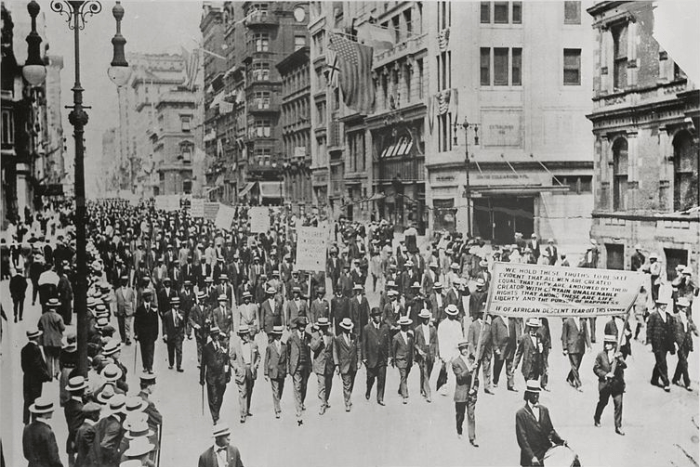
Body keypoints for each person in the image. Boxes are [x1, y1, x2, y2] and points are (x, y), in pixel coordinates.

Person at [515, 381, 569, 467]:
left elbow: (550, 431)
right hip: (530, 458)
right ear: (528, 394)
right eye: (533, 394)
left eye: (537, 393)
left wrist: (560, 441)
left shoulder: (544, 410)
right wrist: (532, 457)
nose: (536, 396)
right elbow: (522, 439)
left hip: (546, 454)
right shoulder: (521, 414)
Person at [593, 334, 627, 435]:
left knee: (618, 405)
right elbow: (596, 368)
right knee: (603, 402)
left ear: (613, 344)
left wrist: (619, 360)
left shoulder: (618, 354)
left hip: (617, 385)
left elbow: (624, 366)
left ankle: (618, 426)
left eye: (609, 343)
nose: (607, 345)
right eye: (606, 343)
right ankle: (597, 417)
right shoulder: (601, 355)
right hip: (605, 384)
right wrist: (605, 374)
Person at [229, 325, 259, 424]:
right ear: (241, 335)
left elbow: (258, 356)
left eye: (248, 334)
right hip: (241, 371)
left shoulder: (253, 344)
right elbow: (231, 359)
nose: (247, 336)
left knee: (250, 390)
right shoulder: (235, 346)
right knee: (243, 392)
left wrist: (255, 365)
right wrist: (236, 367)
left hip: (251, 369)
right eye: (245, 334)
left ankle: (247, 409)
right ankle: (242, 414)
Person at [200, 327, 230, 424]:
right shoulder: (206, 347)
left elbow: (227, 360)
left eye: (217, 335)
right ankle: (215, 416)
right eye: (214, 335)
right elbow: (203, 364)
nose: (216, 337)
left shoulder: (223, 345)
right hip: (211, 376)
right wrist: (201, 378)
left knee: (220, 393)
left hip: (221, 375)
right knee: (213, 396)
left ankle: (217, 410)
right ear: (211, 336)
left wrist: (228, 374)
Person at [22, 327, 52, 424]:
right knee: (35, 400)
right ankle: (34, 421)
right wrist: (47, 376)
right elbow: (37, 366)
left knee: (27, 400)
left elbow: (23, 366)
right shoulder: (36, 349)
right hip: (35, 380)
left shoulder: (24, 349)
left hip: (27, 378)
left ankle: (26, 421)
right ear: (36, 338)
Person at [362, 307, 391, 406]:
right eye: (376, 315)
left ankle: (380, 398)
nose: (379, 317)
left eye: (380, 315)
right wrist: (364, 357)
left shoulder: (385, 327)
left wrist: (389, 355)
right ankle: (368, 390)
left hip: (382, 358)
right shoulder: (366, 328)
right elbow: (364, 344)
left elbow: (388, 342)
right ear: (373, 317)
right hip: (371, 358)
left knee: (382, 378)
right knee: (370, 378)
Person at [22, 397, 63, 467]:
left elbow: (26, 454)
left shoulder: (27, 429)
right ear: (45, 413)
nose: (52, 412)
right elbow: (54, 458)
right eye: (51, 410)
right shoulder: (48, 432)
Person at [647, 296, 676, 392]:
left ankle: (654, 379)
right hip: (657, 342)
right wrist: (649, 342)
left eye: (665, 304)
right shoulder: (653, 315)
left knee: (660, 361)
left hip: (666, 343)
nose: (664, 306)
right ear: (658, 305)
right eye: (662, 304)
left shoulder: (668, 316)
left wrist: (673, 343)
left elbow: (672, 330)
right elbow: (649, 329)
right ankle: (666, 383)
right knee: (662, 362)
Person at [452, 340, 478, 447]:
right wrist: (470, 370)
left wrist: (475, 389)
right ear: (460, 350)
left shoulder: (472, 360)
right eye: (463, 349)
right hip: (461, 392)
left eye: (466, 348)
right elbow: (460, 377)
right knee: (460, 415)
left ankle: (472, 438)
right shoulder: (456, 362)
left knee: (471, 415)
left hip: (471, 393)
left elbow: (476, 378)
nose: (465, 351)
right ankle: (459, 430)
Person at [90, 395, 128, 467]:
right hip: (108, 462)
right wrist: (117, 457)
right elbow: (105, 445)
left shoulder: (105, 420)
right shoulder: (115, 425)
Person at [334, 317, 361, 412]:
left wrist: (359, 361)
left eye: (349, 328)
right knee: (346, 384)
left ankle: (348, 397)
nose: (348, 329)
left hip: (353, 365)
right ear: (342, 328)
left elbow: (358, 349)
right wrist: (337, 365)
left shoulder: (355, 337)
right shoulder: (338, 339)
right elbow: (335, 352)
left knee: (351, 383)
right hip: (344, 365)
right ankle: (347, 403)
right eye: (346, 328)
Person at [287, 316, 311, 425]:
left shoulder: (308, 336)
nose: (302, 328)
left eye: (304, 326)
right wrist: (289, 366)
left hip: (306, 365)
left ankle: (301, 402)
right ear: (298, 326)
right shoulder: (292, 337)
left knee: (304, 386)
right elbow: (288, 352)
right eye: (301, 326)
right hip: (296, 366)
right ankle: (298, 409)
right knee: (297, 387)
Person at [310, 317, 335, 414]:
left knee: (328, 384)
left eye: (325, 327)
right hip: (319, 363)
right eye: (322, 327)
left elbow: (334, 350)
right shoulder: (315, 335)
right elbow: (313, 348)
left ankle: (326, 400)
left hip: (329, 363)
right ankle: (322, 404)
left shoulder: (331, 335)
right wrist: (319, 340)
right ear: (319, 327)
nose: (324, 329)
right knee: (322, 384)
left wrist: (336, 364)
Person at [437, 305, 464, 395]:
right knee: (445, 369)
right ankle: (443, 386)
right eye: (450, 314)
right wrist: (442, 354)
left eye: (454, 314)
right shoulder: (442, 325)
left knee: (458, 368)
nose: (452, 316)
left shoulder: (458, 324)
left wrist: (461, 348)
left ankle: (460, 387)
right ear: (447, 314)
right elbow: (440, 340)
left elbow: (460, 337)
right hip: (446, 350)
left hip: (455, 350)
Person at [672, 297, 697, 391]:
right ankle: (687, 383)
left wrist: (697, 333)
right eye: (683, 307)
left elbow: (693, 327)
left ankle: (675, 378)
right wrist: (674, 342)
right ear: (679, 307)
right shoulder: (674, 317)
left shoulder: (688, 317)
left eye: (686, 307)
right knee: (684, 362)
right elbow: (672, 331)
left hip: (687, 342)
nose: (685, 308)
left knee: (682, 361)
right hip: (679, 342)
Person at [467, 310, 494, 395]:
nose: (486, 316)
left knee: (487, 370)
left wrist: (490, 353)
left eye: (487, 314)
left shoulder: (488, 326)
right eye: (484, 314)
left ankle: (487, 387)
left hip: (486, 352)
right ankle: (472, 386)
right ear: (480, 315)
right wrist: (473, 352)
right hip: (476, 352)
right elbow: (470, 341)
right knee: (474, 371)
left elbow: (490, 341)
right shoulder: (473, 325)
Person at [414, 309, 439, 402]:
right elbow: (415, 343)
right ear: (421, 319)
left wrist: (436, 353)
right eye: (424, 318)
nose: (426, 320)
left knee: (428, 372)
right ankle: (428, 394)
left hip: (431, 352)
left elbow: (436, 342)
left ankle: (422, 387)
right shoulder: (417, 329)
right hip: (422, 352)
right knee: (424, 372)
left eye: (427, 318)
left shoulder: (433, 329)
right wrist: (419, 350)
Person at [492, 314, 521, 392]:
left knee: (510, 365)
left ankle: (511, 384)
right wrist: (495, 348)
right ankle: (495, 380)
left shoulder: (511, 319)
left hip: (510, 346)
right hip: (500, 346)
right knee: (498, 364)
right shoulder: (496, 321)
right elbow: (493, 335)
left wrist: (516, 343)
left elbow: (515, 332)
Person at [561, 316, 591, 392]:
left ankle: (570, 378)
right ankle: (578, 384)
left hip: (581, 347)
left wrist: (589, 346)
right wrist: (564, 348)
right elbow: (564, 335)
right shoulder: (567, 321)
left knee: (577, 365)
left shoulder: (583, 321)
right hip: (571, 346)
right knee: (574, 365)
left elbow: (586, 334)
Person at [38, 298, 66, 379]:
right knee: (57, 358)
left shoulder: (43, 316)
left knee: (48, 358)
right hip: (57, 340)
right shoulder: (58, 317)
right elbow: (63, 328)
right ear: (56, 307)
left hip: (46, 340)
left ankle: (49, 375)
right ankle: (57, 373)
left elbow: (40, 326)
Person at [264, 325, 287, 419]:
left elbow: (287, 359)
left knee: (280, 389)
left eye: (280, 334)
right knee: (275, 390)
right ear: (274, 335)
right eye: (277, 335)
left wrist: (288, 370)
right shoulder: (270, 346)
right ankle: (277, 409)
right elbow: (266, 360)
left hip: (282, 371)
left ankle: (278, 402)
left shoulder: (284, 346)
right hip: (273, 371)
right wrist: (265, 373)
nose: (279, 336)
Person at [133, 290, 159, 374]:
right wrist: (136, 333)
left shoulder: (154, 308)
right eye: (147, 296)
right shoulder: (140, 309)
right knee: (144, 350)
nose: (149, 298)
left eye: (150, 296)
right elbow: (136, 322)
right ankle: (145, 366)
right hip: (142, 335)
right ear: (144, 298)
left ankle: (150, 367)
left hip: (151, 334)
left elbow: (156, 322)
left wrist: (156, 333)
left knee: (150, 351)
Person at [64, 376, 87, 465]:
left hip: (71, 442)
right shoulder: (80, 408)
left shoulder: (68, 403)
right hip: (78, 444)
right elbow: (75, 428)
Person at [514, 319, 545, 385]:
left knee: (534, 384)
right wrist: (515, 365)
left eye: (536, 328)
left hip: (537, 367)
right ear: (530, 328)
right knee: (530, 385)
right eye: (532, 328)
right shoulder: (524, 338)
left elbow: (542, 354)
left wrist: (541, 349)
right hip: (528, 367)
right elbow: (519, 353)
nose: (534, 330)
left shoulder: (540, 337)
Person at [392, 316, 414, 404]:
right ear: (401, 326)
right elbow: (393, 350)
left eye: (408, 325)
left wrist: (413, 359)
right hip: (400, 359)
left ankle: (400, 389)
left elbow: (412, 348)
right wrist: (394, 361)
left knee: (406, 375)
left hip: (408, 360)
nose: (407, 327)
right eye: (405, 325)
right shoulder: (396, 337)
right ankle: (405, 395)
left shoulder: (410, 335)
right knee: (403, 376)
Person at [162, 296, 186, 372]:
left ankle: (179, 366)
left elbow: (184, 323)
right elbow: (164, 325)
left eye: (178, 304)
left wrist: (183, 333)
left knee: (179, 350)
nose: (176, 306)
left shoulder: (182, 313)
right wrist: (165, 334)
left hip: (178, 333)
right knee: (171, 350)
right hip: (170, 333)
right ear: (172, 305)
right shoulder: (167, 314)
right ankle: (171, 363)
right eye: (175, 304)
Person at [75, 402, 101, 467]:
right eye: (98, 412)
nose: (99, 415)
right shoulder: (89, 430)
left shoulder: (82, 427)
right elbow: (92, 452)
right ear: (93, 415)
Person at [115, 275, 137, 345]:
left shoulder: (131, 290)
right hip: (120, 310)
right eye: (123, 281)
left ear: (127, 282)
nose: (124, 283)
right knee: (121, 325)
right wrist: (115, 309)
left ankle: (127, 337)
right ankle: (123, 337)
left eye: (125, 281)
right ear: (121, 282)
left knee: (127, 324)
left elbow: (133, 300)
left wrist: (134, 309)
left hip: (128, 310)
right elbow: (115, 301)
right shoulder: (117, 291)